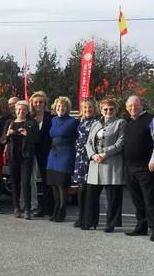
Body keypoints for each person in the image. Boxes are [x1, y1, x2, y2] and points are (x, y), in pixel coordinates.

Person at [123, 95, 154, 241]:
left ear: (142, 105)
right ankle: (141, 227)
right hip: (130, 167)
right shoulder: (129, 122)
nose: (133, 108)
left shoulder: (153, 119)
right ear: (127, 108)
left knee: (150, 200)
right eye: (130, 106)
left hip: (146, 167)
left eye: (136, 105)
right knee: (137, 200)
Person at [84, 98, 126, 232]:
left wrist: (104, 153)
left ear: (116, 110)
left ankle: (111, 223)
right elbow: (88, 143)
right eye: (105, 109)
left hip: (111, 164)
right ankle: (90, 222)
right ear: (101, 110)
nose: (108, 111)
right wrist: (92, 155)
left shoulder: (121, 123)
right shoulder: (95, 124)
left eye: (111, 109)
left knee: (113, 197)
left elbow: (121, 143)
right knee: (91, 196)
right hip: (95, 164)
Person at [1, 100, 39, 219]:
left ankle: (27, 209)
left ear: (27, 111)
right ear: (15, 110)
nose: (21, 112)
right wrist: (8, 134)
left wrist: (27, 134)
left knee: (25, 183)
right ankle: (16, 208)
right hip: (13, 157)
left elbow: (37, 139)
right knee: (15, 183)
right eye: (19, 109)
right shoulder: (9, 122)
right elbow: (2, 140)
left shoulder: (31, 122)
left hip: (26, 157)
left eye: (23, 109)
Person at [46, 96, 79, 222]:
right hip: (53, 154)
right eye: (59, 106)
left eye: (63, 106)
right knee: (54, 184)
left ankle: (62, 211)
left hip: (66, 154)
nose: (61, 108)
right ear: (55, 107)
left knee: (62, 185)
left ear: (67, 108)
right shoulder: (53, 120)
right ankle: (55, 210)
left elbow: (78, 137)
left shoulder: (73, 121)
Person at [72, 99, 99, 228]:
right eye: (85, 108)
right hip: (80, 159)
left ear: (94, 109)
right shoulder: (80, 122)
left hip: (91, 158)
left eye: (90, 108)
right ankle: (81, 217)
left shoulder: (97, 123)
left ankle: (90, 220)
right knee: (81, 189)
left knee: (90, 190)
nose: (88, 110)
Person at [30, 91, 53, 216]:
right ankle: (32, 206)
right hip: (31, 152)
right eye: (36, 102)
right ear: (32, 104)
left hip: (46, 152)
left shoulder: (51, 117)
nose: (38, 104)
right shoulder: (29, 117)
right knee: (31, 180)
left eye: (41, 102)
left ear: (45, 104)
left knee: (46, 180)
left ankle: (47, 208)